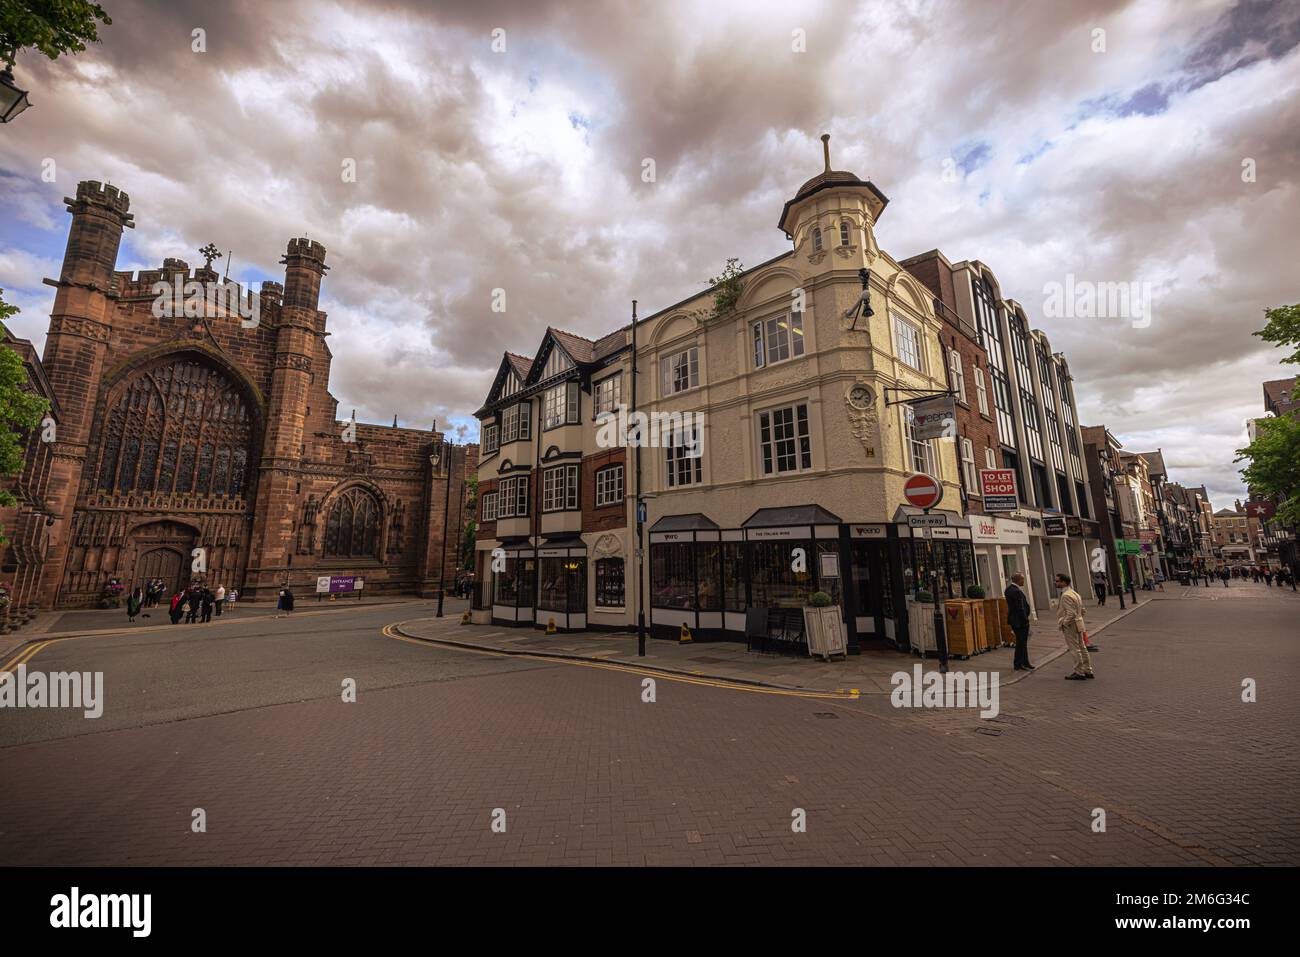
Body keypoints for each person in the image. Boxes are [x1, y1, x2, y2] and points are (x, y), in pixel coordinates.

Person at [1055, 573, 1093, 680]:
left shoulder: (1066, 595)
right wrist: (1079, 618)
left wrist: (1064, 623)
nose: (1056, 583)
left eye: (1058, 581)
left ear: (1064, 582)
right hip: (1079, 623)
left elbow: (1070, 613)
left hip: (1071, 625)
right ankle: (1088, 670)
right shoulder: (1074, 593)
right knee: (1082, 647)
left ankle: (1079, 672)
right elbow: (1083, 610)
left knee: (1075, 649)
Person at [1005, 573, 1034, 671]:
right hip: (1020, 621)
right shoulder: (1016, 591)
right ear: (1018, 580)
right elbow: (1020, 607)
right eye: (1022, 579)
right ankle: (1018, 663)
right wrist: (1025, 619)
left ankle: (1025, 662)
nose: (1023, 581)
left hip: (1014, 620)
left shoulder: (1009, 589)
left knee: (1022, 642)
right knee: (1021, 642)